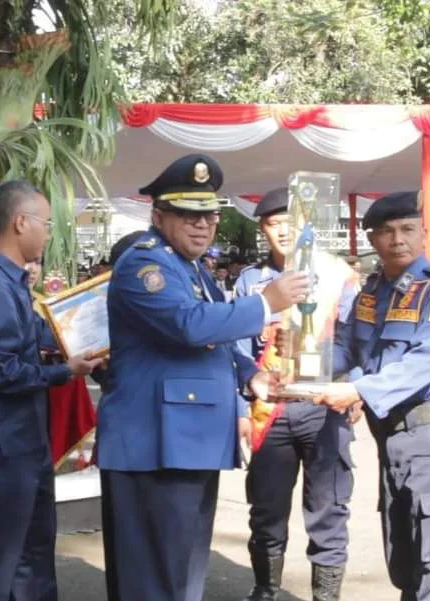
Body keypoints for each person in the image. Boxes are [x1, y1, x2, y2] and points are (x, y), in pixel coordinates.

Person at [95, 154, 309, 601]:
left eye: (209, 215)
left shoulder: (189, 267)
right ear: (158, 216)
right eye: (187, 215)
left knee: (182, 574)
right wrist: (266, 303)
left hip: (185, 441)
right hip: (155, 445)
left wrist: (251, 375)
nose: (202, 225)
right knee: (154, 580)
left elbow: (217, 340)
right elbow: (190, 325)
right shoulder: (144, 266)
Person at [316, 191, 430, 601]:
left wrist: (357, 389)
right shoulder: (372, 291)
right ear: (372, 239)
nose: (398, 240)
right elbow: (349, 348)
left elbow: (426, 361)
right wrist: (301, 363)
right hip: (391, 434)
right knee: (402, 552)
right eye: (386, 232)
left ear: (424, 234)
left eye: (407, 229)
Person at [0, 181, 102, 601]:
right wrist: (65, 371)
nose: (49, 233)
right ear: (21, 222)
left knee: (33, 550)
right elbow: (2, 373)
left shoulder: (11, 283)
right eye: (46, 223)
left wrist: (75, 343)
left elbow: (44, 335)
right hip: (2, 447)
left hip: (22, 441)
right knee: (1, 556)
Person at [232, 187, 355, 601]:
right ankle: (266, 589)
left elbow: (358, 341)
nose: (282, 230)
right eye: (271, 223)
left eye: (290, 221)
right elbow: (235, 348)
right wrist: (240, 406)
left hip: (322, 408)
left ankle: (326, 596)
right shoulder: (251, 281)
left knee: (329, 510)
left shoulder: (339, 275)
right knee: (266, 511)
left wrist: (347, 381)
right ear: (263, 230)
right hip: (271, 410)